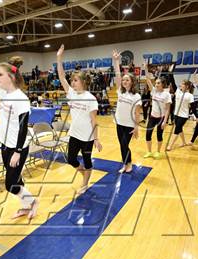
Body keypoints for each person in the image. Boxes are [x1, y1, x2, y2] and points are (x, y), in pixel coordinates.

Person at [0, 24, 39, 219]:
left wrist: (18, 152)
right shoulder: (4, 92)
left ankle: (32, 201)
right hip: (5, 143)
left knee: (10, 184)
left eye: (0, 75)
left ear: (11, 77)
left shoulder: (21, 99)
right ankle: (26, 205)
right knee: (16, 178)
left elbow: (23, 128)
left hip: (18, 146)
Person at [57, 44, 102, 194]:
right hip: (74, 134)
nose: (72, 82)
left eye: (75, 80)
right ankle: (84, 173)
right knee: (71, 160)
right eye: (72, 80)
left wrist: (96, 139)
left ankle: (85, 183)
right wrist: (59, 58)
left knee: (87, 161)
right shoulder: (71, 94)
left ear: (83, 82)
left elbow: (94, 121)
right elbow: (61, 76)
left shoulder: (91, 99)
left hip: (87, 137)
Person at [112, 50, 141, 173]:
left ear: (132, 82)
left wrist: (136, 127)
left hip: (129, 125)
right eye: (124, 80)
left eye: (127, 80)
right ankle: (126, 163)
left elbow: (137, 113)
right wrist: (116, 61)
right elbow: (118, 75)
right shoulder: (120, 91)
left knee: (124, 145)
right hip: (119, 123)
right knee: (121, 145)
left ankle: (128, 163)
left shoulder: (136, 96)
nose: (124, 81)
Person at [142, 62, 172, 159]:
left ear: (163, 84)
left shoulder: (166, 95)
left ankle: (158, 152)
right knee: (148, 134)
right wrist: (146, 68)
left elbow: (168, 109)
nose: (156, 84)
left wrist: (164, 121)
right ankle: (149, 152)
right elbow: (147, 79)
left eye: (158, 83)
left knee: (159, 135)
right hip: (152, 117)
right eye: (156, 82)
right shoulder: (154, 91)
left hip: (161, 118)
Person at [166, 80, 195, 151]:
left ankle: (170, 145)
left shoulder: (190, 96)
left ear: (187, 86)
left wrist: (197, 117)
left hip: (184, 116)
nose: (181, 85)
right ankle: (184, 142)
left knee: (176, 130)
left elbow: (193, 108)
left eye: (182, 84)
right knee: (179, 129)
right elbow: (173, 82)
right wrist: (170, 71)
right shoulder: (178, 91)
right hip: (176, 114)